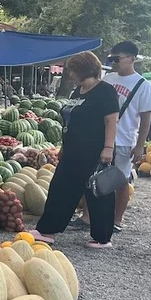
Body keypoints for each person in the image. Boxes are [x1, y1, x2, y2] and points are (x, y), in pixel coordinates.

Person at [30, 51, 119, 248]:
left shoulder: (105, 91)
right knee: (60, 188)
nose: (69, 75)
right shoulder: (77, 91)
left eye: (72, 71)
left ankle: (102, 237)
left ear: (84, 69)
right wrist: (64, 146)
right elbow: (71, 120)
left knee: (98, 192)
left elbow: (111, 120)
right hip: (73, 151)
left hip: (94, 150)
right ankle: (48, 230)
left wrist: (108, 147)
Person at [100, 41, 151, 231]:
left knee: (121, 182)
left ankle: (117, 219)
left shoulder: (143, 85)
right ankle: (89, 217)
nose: (114, 62)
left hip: (124, 140)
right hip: (102, 137)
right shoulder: (107, 79)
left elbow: (146, 118)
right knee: (94, 178)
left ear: (132, 58)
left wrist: (140, 145)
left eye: (117, 58)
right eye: (111, 59)